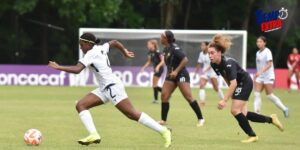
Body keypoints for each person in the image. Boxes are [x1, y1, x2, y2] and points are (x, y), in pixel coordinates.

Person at [48, 33, 171, 148]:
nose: (80, 47)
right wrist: (124, 52)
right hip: (104, 88)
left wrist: (58, 67)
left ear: (89, 44)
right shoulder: (101, 47)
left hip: (112, 87)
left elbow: (77, 69)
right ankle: (94, 134)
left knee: (132, 114)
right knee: (81, 105)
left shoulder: (91, 53)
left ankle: (164, 131)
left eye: (82, 45)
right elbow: (114, 42)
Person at [208, 34, 284, 143]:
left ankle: (252, 135)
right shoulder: (214, 64)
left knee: (234, 110)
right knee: (244, 114)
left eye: (212, 53)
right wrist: (232, 92)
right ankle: (272, 119)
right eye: (208, 53)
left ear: (219, 52)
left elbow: (233, 83)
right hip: (238, 84)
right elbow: (227, 78)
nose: (210, 55)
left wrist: (224, 100)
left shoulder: (228, 63)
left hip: (245, 82)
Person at [159, 30, 205, 127]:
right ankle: (163, 120)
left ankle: (201, 118)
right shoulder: (165, 49)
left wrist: (176, 71)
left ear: (166, 39)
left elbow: (185, 59)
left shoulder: (175, 48)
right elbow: (169, 64)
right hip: (171, 75)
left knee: (188, 97)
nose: (160, 38)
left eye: (162, 36)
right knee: (164, 95)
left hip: (181, 74)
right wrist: (170, 73)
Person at [253, 36, 289, 117]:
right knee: (256, 94)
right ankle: (257, 114)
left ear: (264, 43)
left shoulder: (267, 51)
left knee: (269, 96)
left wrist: (260, 72)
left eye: (260, 41)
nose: (258, 43)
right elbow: (259, 66)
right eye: (257, 42)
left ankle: (284, 109)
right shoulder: (257, 53)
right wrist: (257, 75)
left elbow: (270, 64)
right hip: (260, 76)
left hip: (268, 76)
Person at [194, 41, 224, 106]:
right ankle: (202, 101)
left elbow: (213, 62)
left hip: (213, 72)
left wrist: (207, 69)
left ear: (207, 46)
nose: (201, 47)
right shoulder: (201, 54)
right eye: (201, 45)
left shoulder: (210, 53)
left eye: (203, 45)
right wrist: (195, 73)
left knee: (216, 88)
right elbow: (199, 63)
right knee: (201, 85)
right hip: (205, 72)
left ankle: (223, 100)